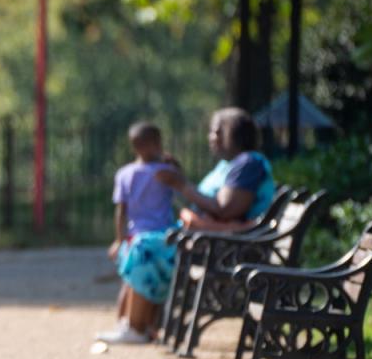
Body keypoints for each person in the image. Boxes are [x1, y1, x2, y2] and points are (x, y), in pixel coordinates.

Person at [101, 107, 275, 345]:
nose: (210, 138)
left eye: (216, 132)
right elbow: (208, 201)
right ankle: (135, 324)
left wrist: (181, 184)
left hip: (225, 247)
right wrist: (180, 178)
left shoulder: (248, 163)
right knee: (142, 243)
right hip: (207, 241)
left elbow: (226, 209)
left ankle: (137, 327)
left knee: (145, 246)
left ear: (231, 133)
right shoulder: (231, 164)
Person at [97, 122, 180, 344]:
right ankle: (139, 326)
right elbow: (183, 187)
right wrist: (176, 166)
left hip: (136, 237)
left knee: (130, 281)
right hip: (162, 238)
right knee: (152, 283)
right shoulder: (165, 172)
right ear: (154, 144)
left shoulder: (124, 173)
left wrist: (119, 238)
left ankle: (127, 324)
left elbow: (121, 211)